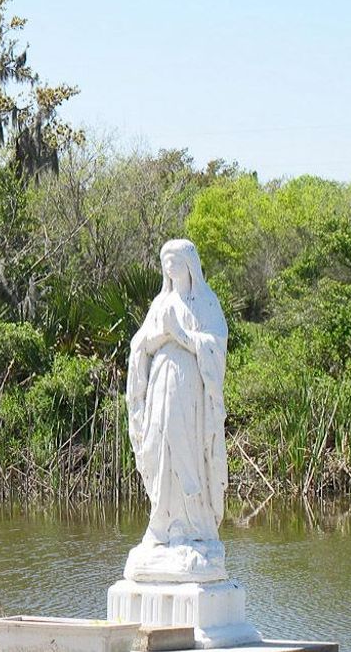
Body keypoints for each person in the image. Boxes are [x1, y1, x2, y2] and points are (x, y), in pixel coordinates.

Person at [125, 239, 229, 580]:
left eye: (175, 262)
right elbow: (140, 345)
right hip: (160, 383)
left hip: (189, 388)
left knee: (185, 447)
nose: (170, 268)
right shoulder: (160, 302)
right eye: (165, 262)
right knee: (159, 445)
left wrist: (181, 335)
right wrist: (159, 337)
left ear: (190, 265)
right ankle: (163, 523)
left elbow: (215, 345)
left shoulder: (206, 302)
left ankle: (192, 525)